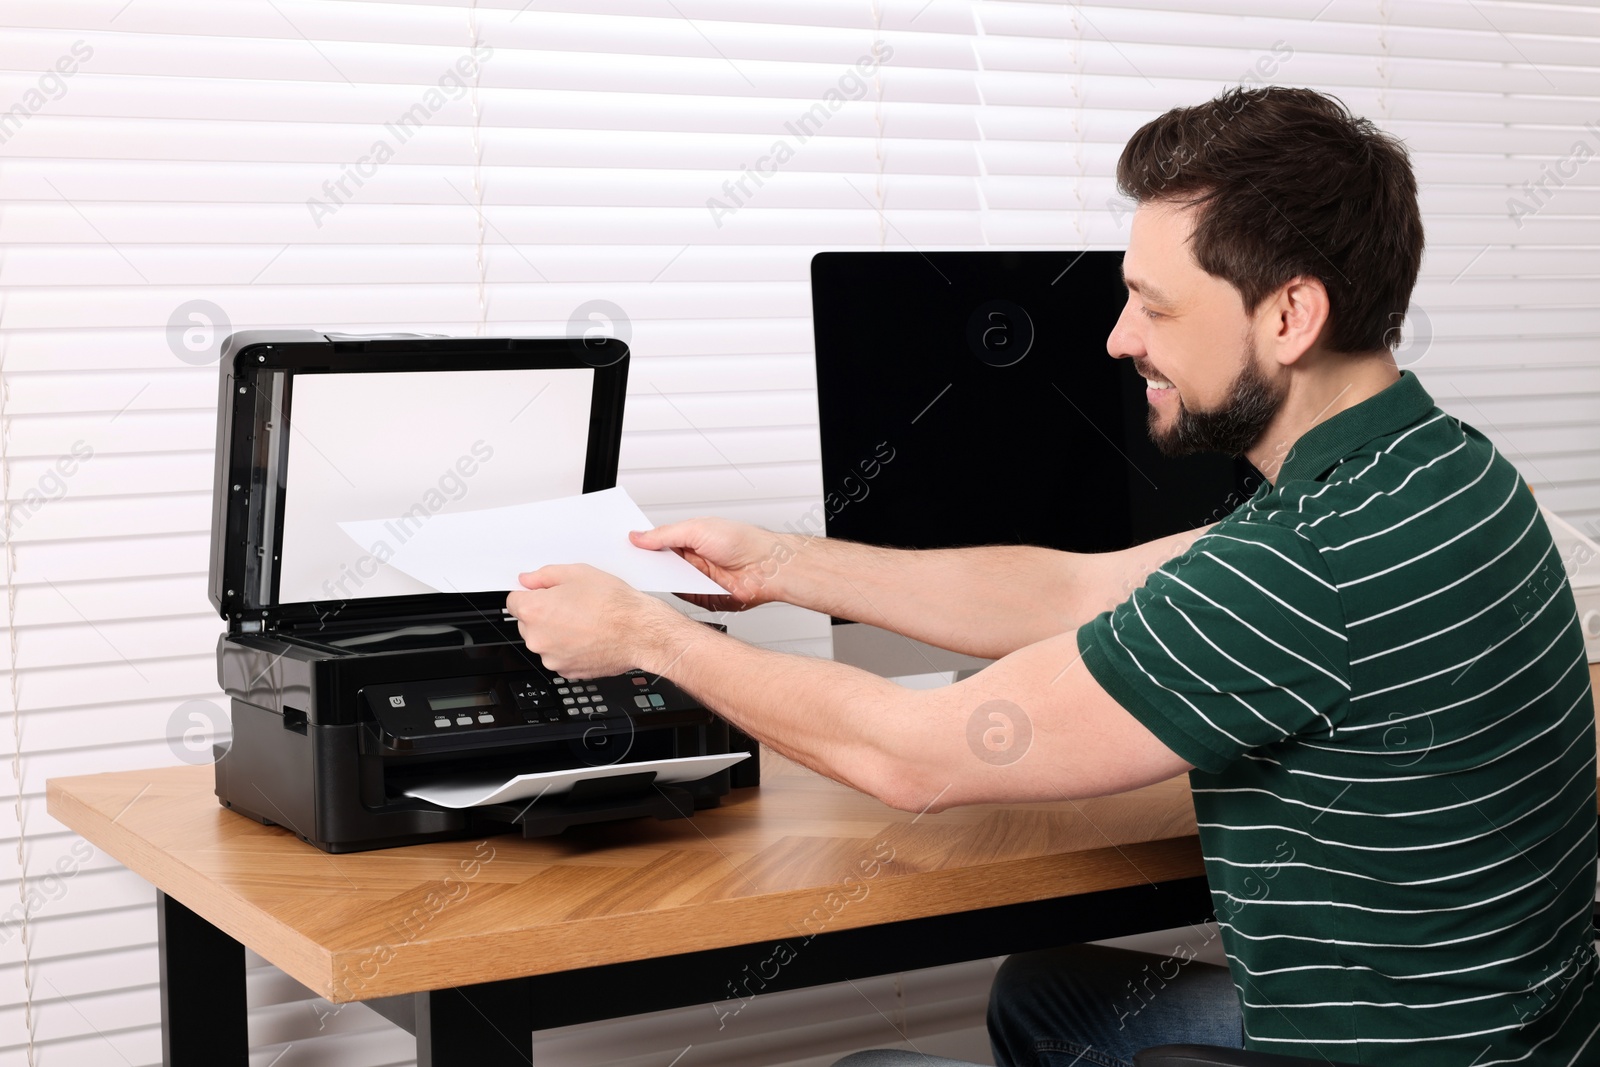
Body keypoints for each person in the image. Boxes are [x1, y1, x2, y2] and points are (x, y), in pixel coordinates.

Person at [505, 87, 1599, 1066]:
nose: (1119, 338)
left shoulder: (1299, 565)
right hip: (1515, 1035)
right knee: (1049, 994)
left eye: (1156, 305)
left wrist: (651, 636)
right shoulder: (1437, 466)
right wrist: (785, 564)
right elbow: (1080, 590)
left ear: (1288, 315)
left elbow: (910, 755)